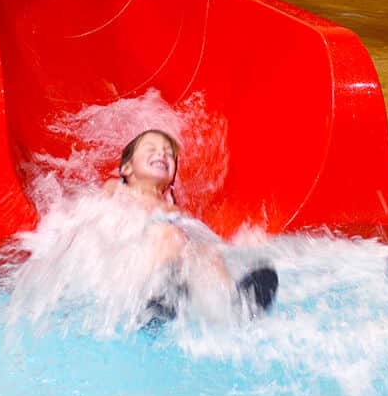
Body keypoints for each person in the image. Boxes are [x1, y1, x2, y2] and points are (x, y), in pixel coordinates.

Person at [104, 129, 278, 322]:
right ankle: (157, 299)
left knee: (205, 251)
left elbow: (205, 238)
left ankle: (233, 304)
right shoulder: (117, 189)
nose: (162, 153)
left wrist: (238, 245)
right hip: (133, 267)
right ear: (127, 169)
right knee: (170, 235)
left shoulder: (177, 212)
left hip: (172, 267)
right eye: (150, 148)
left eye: (169, 153)